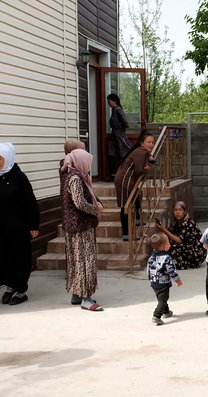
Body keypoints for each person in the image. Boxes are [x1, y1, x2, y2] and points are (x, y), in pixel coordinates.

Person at [0, 142, 40, 306]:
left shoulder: (19, 177)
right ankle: (10, 284)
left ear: (7, 158)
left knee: (19, 258)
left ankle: (20, 290)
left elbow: (30, 202)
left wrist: (34, 225)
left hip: (19, 226)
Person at [61, 148, 105, 311]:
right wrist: (96, 209)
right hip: (81, 226)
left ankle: (76, 294)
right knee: (86, 261)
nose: (89, 166)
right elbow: (79, 202)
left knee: (77, 261)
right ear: (81, 162)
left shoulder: (70, 175)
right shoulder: (75, 179)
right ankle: (86, 298)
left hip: (74, 226)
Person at [114, 130, 155, 241]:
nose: (151, 145)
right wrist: (148, 166)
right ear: (142, 143)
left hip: (129, 179)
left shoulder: (142, 151)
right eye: (148, 142)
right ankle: (126, 234)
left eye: (152, 142)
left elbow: (147, 158)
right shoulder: (140, 152)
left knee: (137, 195)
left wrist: (149, 160)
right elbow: (139, 171)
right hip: (124, 180)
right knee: (125, 206)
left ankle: (137, 219)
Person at [154, 201, 207, 270]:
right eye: (175, 210)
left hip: (196, 253)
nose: (177, 212)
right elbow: (169, 233)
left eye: (180, 210)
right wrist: (161, 229)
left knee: (172, 248)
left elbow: (179, 241)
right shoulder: (177, 222)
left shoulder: (188, 223)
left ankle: (181, 264)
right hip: (187, 248)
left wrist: (163, 229)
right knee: (166, 243)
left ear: (184, 212)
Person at [147, 232, 182, 326]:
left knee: (161, 298)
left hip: (154, 282)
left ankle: (166, 312)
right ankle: (156, 316)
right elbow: (171, 270)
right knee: (163, 299)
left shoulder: (151, 257)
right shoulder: (167, 258)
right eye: (168, 243)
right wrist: (177, 280)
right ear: (164, 246)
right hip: (163, 283)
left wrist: (150, 279)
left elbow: (149, 269)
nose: (170, 244)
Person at [106, 93, 133, 180]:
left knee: (122, 153)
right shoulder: (114, 110)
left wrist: (122, 130)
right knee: (112, 154)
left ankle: (122, 173)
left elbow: (124, 122)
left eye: (109, 101)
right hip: (115, 135)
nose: (108, 103)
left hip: (119, 135)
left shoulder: (117, 110)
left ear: (114, 101)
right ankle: (114, 174)